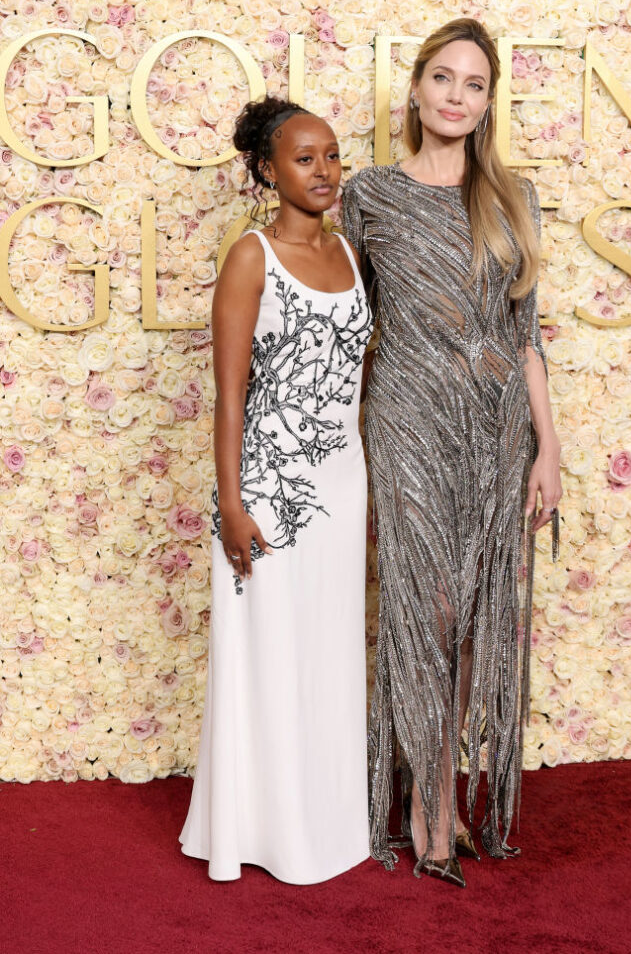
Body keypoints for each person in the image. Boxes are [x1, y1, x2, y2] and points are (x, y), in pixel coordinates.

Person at [342, 18, 562, 887]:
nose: (455, 96)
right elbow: (341, 320)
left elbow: (528, 333)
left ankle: (449, 800)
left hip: (498, 426)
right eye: (443, 78)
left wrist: (550, 447)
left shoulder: (515, 197)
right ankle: (428, 815)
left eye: (473, 84)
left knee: (472, 624)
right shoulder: (369, 194)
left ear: (488, 101)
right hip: (406, 418)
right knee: (425, 611)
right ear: (417, 89)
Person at [180, 96, 373, 884]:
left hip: (341, 481)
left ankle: (325, 821)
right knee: (267, 653)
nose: (324, 170)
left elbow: (357, 377)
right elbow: (231, 394)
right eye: (304, 158)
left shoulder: (354, 256)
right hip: (268, 489)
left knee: (326, 653)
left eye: (331, 155)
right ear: (266, 169)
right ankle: (262, 832)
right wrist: (231, 503)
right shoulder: (250, 256)